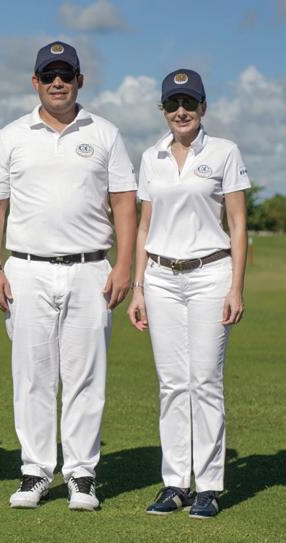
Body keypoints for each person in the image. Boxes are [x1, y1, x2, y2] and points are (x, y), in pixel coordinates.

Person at [0, 41, 137, 511]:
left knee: (85, 377)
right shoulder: (11, 135)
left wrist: (124, 265)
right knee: (33, 377)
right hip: (26, 269)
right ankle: (35, 472)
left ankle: (82, 475)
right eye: (48, 75)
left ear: (79, 80)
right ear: (35, 81)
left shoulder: (106, 133)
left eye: (65, 74)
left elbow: (124, 204)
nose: (57, 82)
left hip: (91, 269)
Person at [127, 69, 249, 520]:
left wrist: (236, 286)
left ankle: (209, 486)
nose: (182, 111)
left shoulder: (224, 152)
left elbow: (237, 223)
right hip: (160, 278)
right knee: (172, 384)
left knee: (205, 381)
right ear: (163, 110)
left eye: (190, 103)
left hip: (210, 275)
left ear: (203, 107)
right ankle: (176, 482)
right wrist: (138, 287)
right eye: (173, 104)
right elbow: (144, 226)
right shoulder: (151, 156)